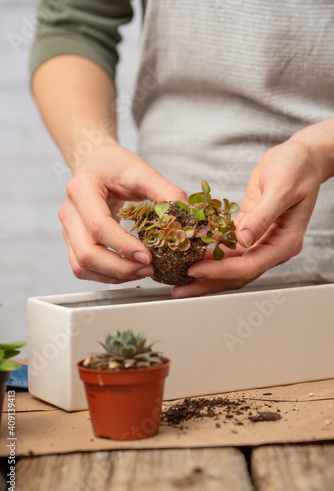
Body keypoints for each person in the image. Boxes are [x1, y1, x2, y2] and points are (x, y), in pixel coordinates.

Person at [30, 0, 334, 298]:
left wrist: (319, 150)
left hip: (320, 239)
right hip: (159, 272)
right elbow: (74, 25)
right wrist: (93, 151)